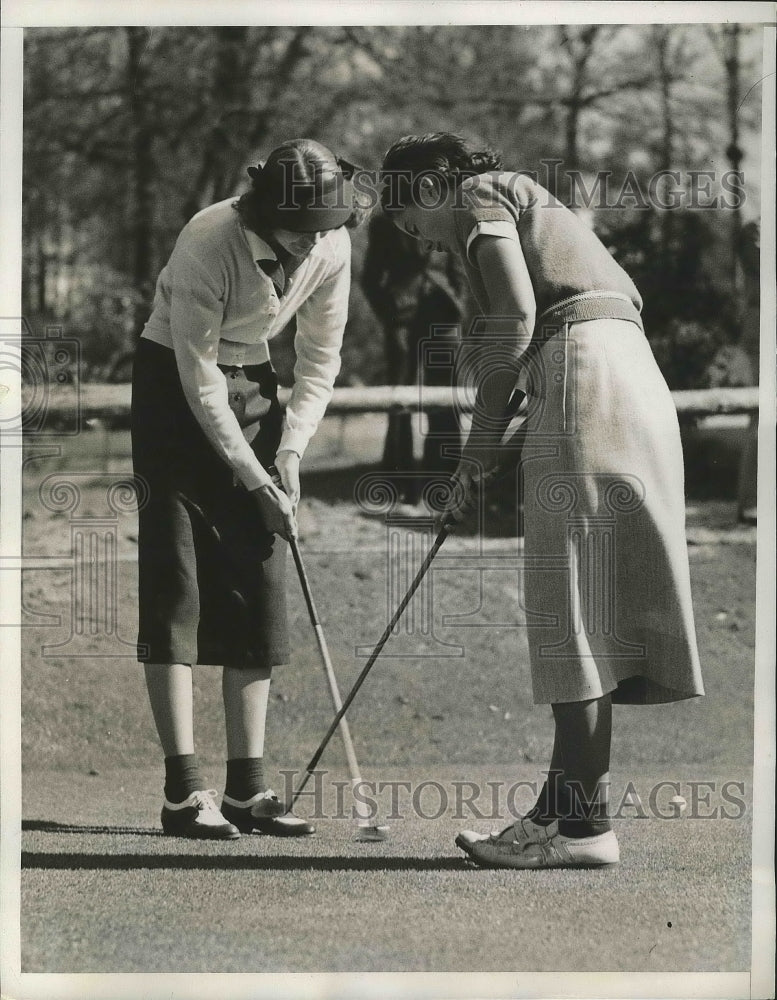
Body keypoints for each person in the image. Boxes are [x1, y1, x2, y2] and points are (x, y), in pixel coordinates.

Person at [380, 132, 704, 869]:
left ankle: (582, 826)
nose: (418, 240)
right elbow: (541, 329)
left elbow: (516, 320)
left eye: (407, 221)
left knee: (572, 608)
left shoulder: (475, 197)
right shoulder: (530, 201)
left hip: (585, 370)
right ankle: (563, 813)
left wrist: (474, 449)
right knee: (591, 606)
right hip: (627, 375)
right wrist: (494, 443)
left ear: (429, 188)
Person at [131, 139, 357, 839]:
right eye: (298, 229)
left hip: (257, 384)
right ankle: (182, 793)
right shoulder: (208, 236)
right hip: (173, 383)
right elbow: (199, 381)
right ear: (259, 212)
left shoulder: (332, 242)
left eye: (321, 227)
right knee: (179, 584)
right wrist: (254, 478)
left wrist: (289, 452)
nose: (309, 243)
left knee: (258, 586)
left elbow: (319, 361)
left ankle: (246, 791)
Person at [362, 212, 465, 502]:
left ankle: (444, 483)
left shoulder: (450, 212)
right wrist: (389, 313)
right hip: (402, 318)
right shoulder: (385, 220)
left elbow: (460, 265)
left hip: (444, 315)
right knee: (400, 400)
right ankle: (399, 485)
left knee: (446, 400)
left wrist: (458, 303)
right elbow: (369, 277)